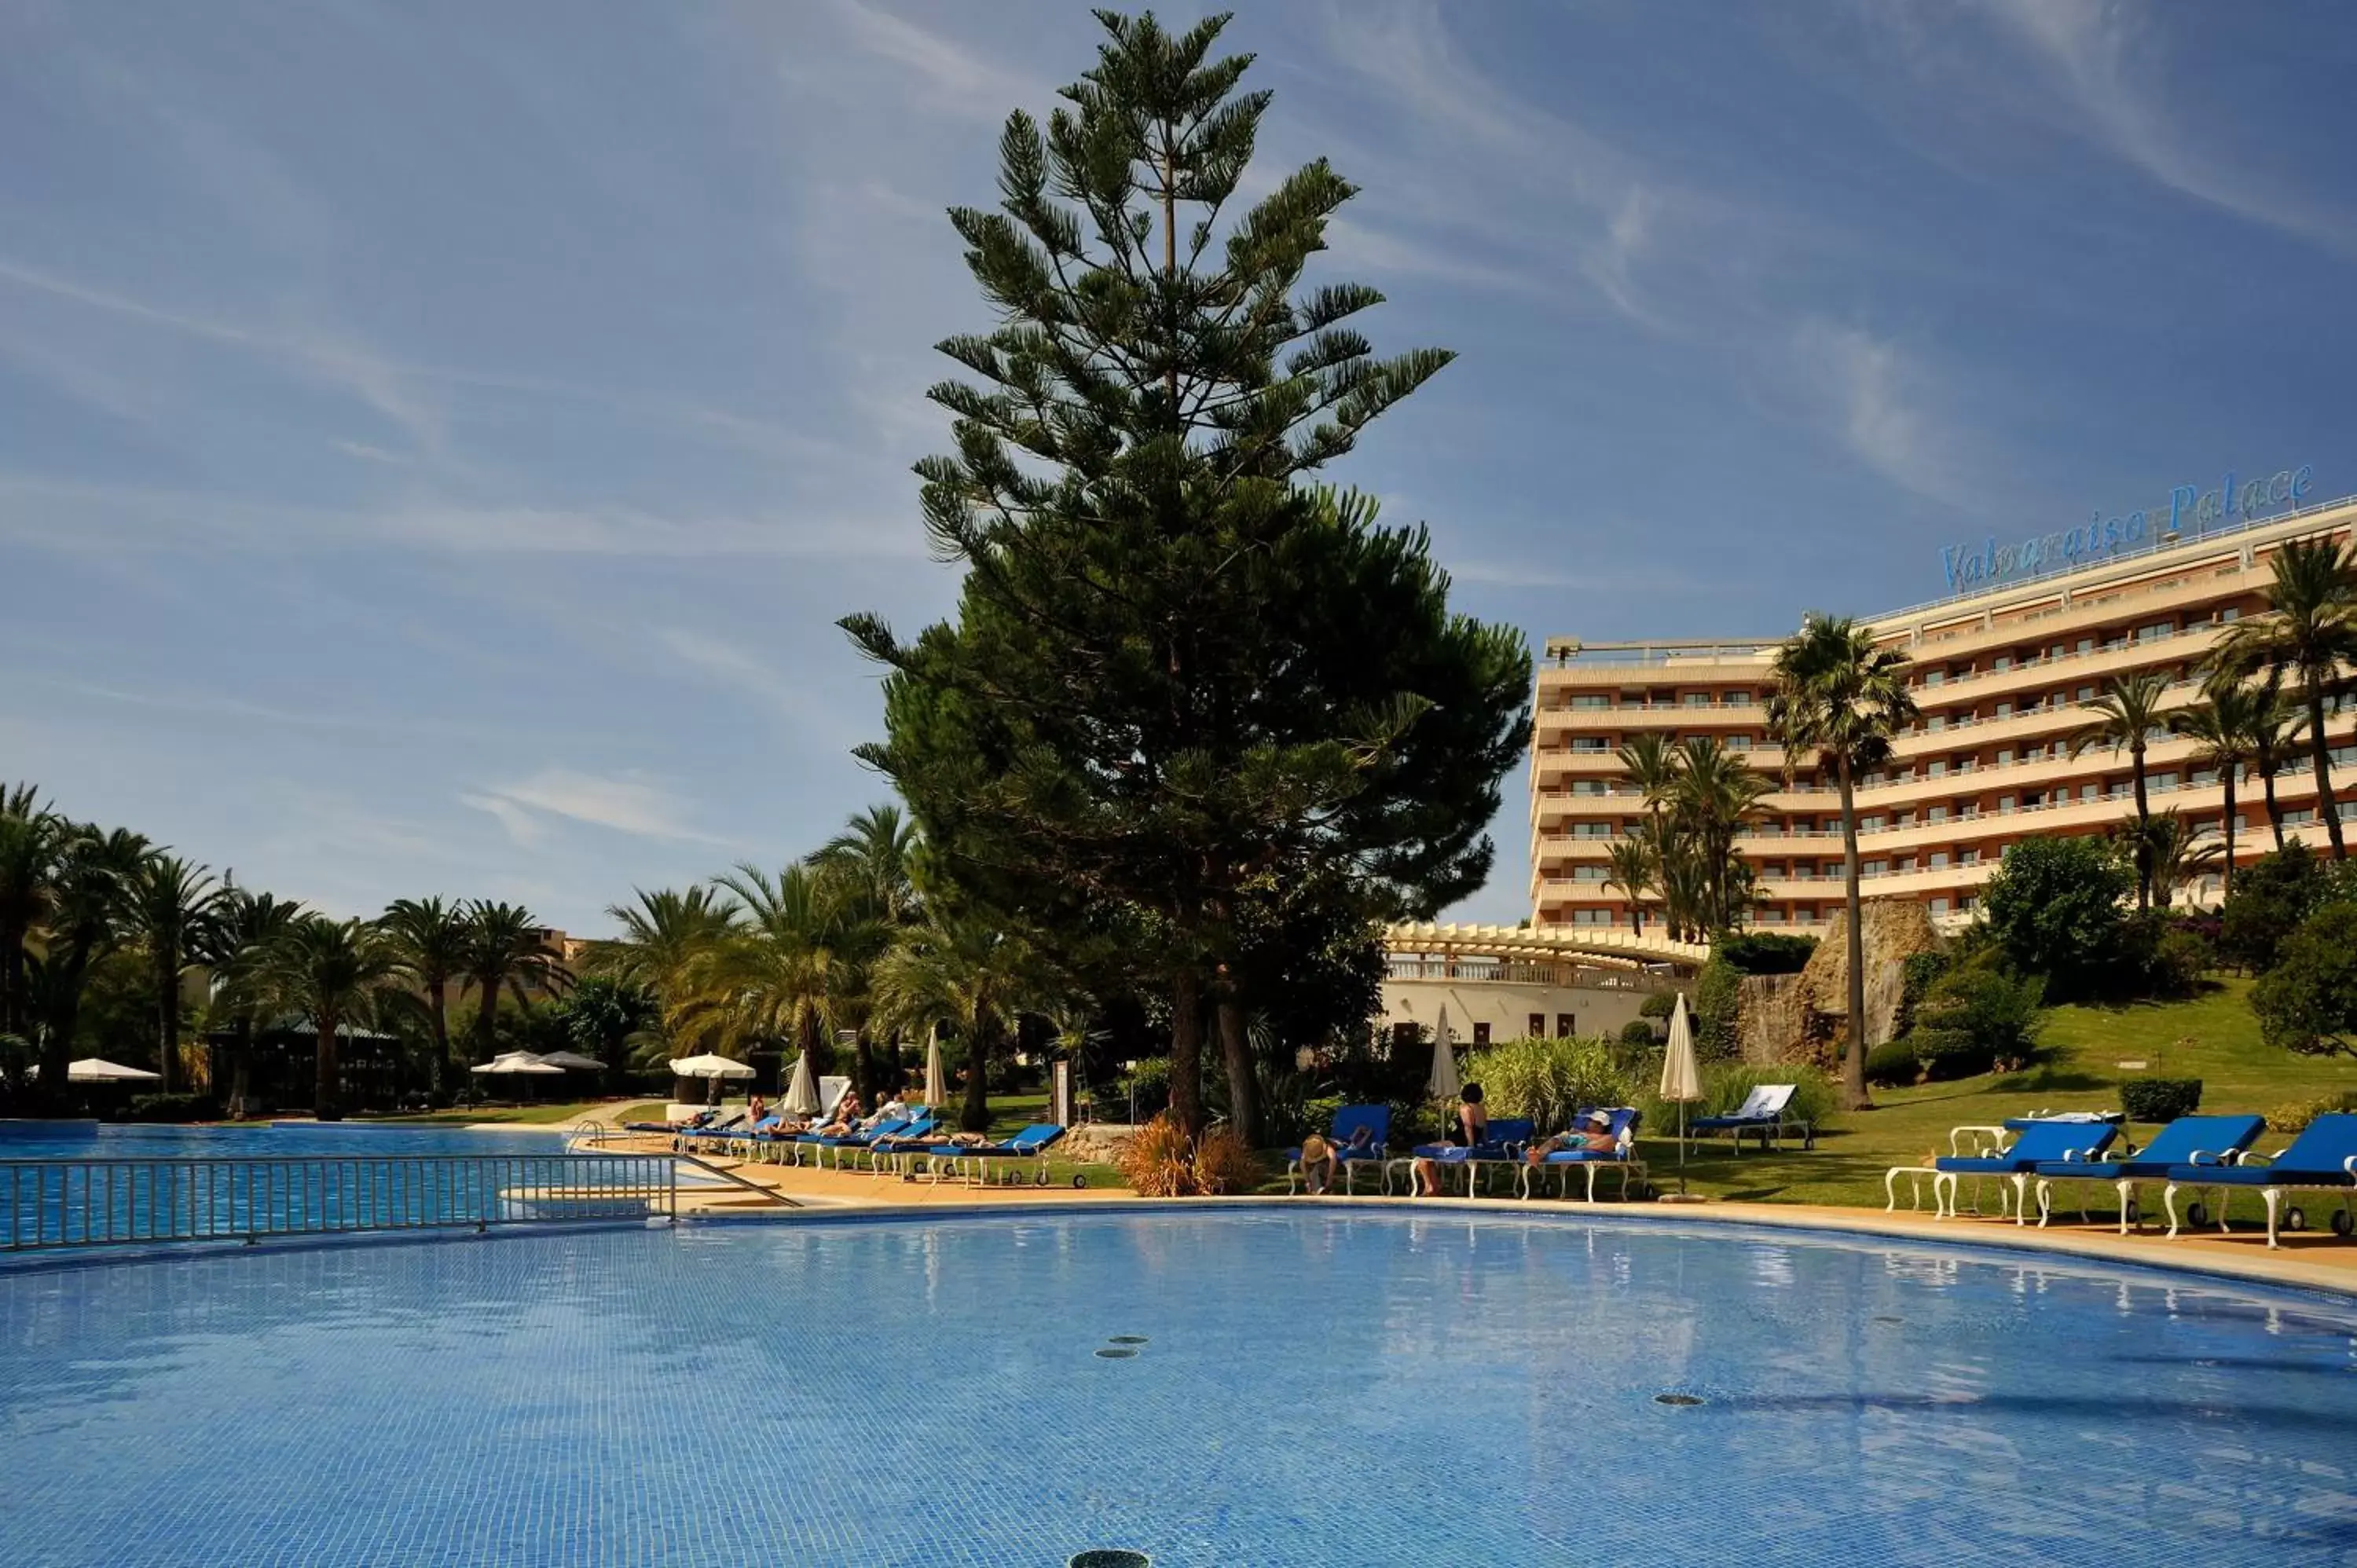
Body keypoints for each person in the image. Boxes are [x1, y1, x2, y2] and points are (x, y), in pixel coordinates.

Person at [1414, 1083, 1488, 1197]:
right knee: (1427, 1154)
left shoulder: (1465, 1108)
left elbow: (1468, 1128)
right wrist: (1481, 1143)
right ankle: (1434, 1186)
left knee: (1423, 1153)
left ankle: (1431, 1186)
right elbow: (1482, 1129)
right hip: (1471, 1139)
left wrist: (1470, 1147)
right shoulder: (1482, 1109)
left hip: (1460, 1140)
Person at [1526, 1109, 1620, 1166]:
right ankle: (1537, 1155)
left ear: (1600, 1125)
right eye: (1590, 1120)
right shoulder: (1578, 1131)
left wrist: (1585, 1140)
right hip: (1569, 1143)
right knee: (1555, 1140)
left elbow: (1609, 1144)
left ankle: (1537, 1155)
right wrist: (1566, 1133)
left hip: (1584, 1145)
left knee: (1557, 1140)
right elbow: (1566, 1134)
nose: (1589, 1123)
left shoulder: (1606, 1137)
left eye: (1592, 1121)